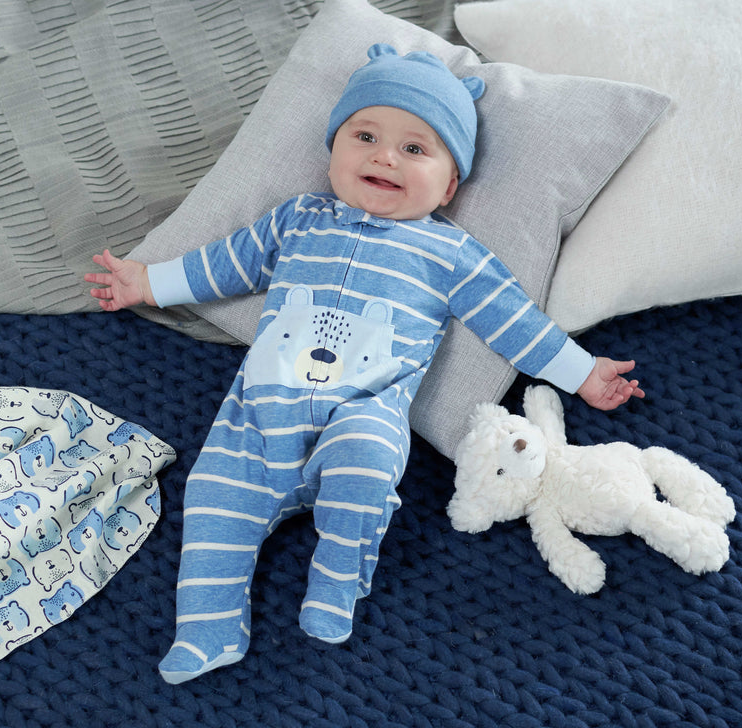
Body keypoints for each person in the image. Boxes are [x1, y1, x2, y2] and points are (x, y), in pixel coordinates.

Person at [85, 44, 644, 684]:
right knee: (212, 497)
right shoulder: (298, 220)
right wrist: (147, 283)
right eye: (366, 135)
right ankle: (207, 630)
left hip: (364, 413)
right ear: (334, 151)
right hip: (258, 417)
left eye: (415, 149)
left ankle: (335, 579)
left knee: (368, 460)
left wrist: (582, 372)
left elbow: (513, 320)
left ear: (450, 183)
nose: (384, 155)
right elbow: (224, 263)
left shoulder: (450, 253)